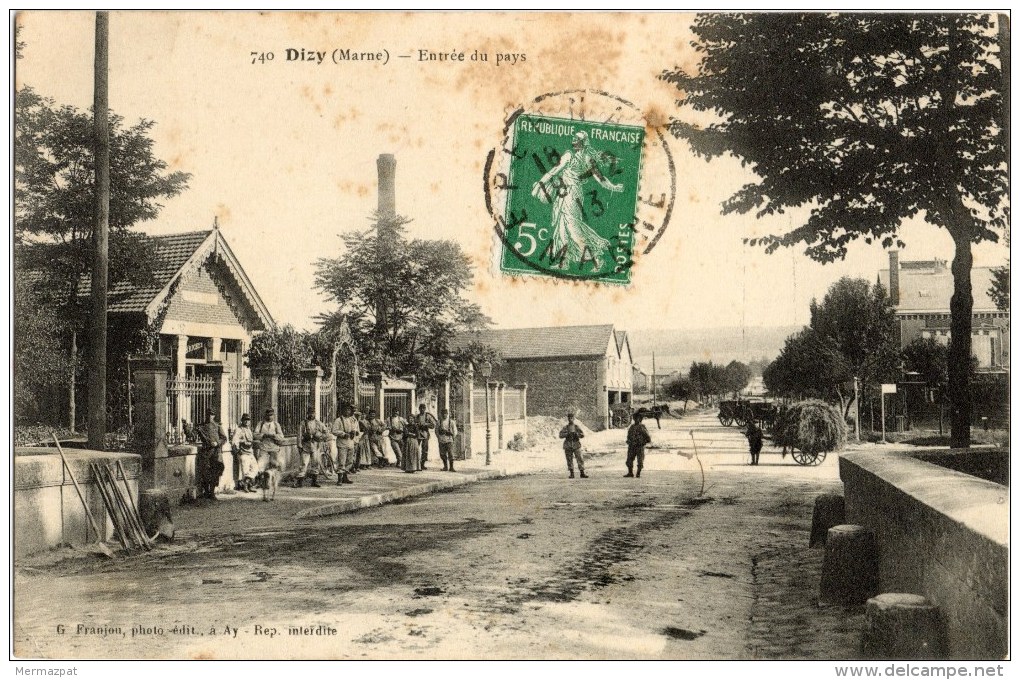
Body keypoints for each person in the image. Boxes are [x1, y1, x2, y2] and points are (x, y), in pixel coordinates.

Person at [531, 130, 624, 271]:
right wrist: (540, 183)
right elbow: (554, 171)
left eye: (577, 138)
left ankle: (596, 259)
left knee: (573, 228)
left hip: (572, 194)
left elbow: (600, 179)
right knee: (561, 228)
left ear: (583, 142)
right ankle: (565, 261)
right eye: (573, 137)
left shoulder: (586, 158)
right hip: (563, 193)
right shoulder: (569, 155)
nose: (574, 140)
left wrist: (614, 187)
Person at [195, 409, 228, 499]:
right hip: (206, 452)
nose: (210, 416)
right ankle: (206, 492)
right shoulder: (201, 426)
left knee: (215, 472)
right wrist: (185, 426)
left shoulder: (217, 426)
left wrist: (217, 443)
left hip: (216, 452)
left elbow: (224, 438)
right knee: (205, 472)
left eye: (212, 415)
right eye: (208, 414)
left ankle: (212, 493)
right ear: (206, 415)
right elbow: (191, 435)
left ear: (214, 416)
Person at [297, 407, 328, 488]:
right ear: (307, 413)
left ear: (315, 414)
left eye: (313, 413)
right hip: (305, 445)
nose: (311, 414)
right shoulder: (303, 423)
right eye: (310, 413)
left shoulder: (318, 423)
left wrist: (320, 436)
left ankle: (314, 481)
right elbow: (299, 435)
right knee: (303, 463)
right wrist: (299, 445)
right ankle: (299, 482)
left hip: (315, 446)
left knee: (315, 463)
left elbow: (326, 433)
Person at [253, 407, 285, 482]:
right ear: (265, 415)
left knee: (274, 465)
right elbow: (255, 435)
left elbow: (281, 437)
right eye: (268, 415)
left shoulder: (276, 425)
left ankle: (272, 481)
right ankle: (260, 481)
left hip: (274, 448)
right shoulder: (260, 424)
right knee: (260, 465)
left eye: (271, 415)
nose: (269, 417)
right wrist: (263, 435)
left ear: (273, 415)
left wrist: (274, 436)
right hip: (264, 448)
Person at [331, 404, 359, 485]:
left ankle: (345, 477)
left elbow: (355, 428)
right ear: (342, 411)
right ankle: (339, 479)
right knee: (342, 461)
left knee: (349, 461)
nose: (347, 412)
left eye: (349, 410)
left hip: (350, 442)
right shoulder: (338, 420)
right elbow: (334, 431)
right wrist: (343, 434)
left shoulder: (352, 419)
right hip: (342, 443)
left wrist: (355, 432)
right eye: (346, 410)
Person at [232, 413, 258, 492]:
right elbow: (234, 441)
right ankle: (246, 486)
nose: (247, 422)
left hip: (250, 452)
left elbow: (250, 440)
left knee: (255, 468)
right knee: (245, 470)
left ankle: (247, 483)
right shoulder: (239, 429)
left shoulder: (249, 430)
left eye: (248, 420)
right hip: (243, 452)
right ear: (242, 421)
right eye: (245, 420)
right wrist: (241, 445)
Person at [559, 412, 588, 479]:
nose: (570, 419)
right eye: (569, 418)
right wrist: (567, 434)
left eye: (571, 418)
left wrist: (576, 434)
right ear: (568, 419)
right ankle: (571, 473)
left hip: (576, 444)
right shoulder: (565, 427)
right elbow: (560, 435)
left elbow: (582, 435)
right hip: (568, 444)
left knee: (580, 458)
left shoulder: (576, 427)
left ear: (574, 418)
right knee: (569, 459)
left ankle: (582, 473)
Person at [625, 412, 652, 478]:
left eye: (638, 418)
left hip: (640, 446)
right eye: (635, 418)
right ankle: (630, 473)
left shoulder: (642, 427)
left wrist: (643, 442)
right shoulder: (632, 427)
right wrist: (628, 441)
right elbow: (629, 435)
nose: (636, 420)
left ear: (640, 419)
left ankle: (638, 473)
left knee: (640, 460)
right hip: (632, 446)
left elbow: (648, 437)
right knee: (629, 460)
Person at [414, 403, 437, 470]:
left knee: (425, 450)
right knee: (416, 449)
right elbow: (413, 424)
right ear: (419, 409)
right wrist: (417, 425)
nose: (422, 409)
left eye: (423, 408)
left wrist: (426, 424)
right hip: (418, 435)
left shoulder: (428, 416)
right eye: (421, 408)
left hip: (425, 434)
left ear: (425, 409)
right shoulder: (417, 416)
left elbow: (433, 425)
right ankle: (416, 463)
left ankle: (422, 464)